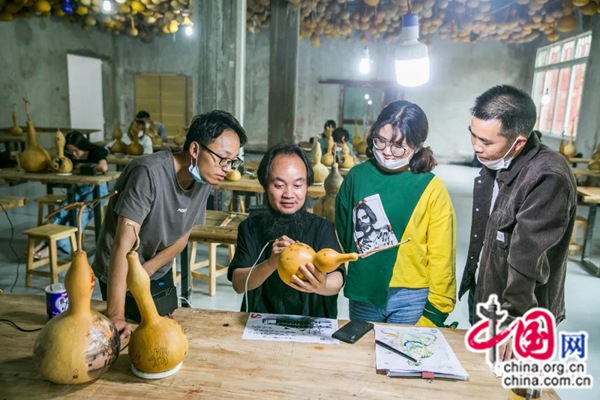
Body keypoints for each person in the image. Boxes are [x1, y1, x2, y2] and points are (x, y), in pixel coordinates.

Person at [93, 110, 247, 338]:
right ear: (195, 149)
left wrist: (148, 269)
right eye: (223, 158)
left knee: (162, 333)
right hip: (119, 268)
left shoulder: (205, 179)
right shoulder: (147, 173)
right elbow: (122, 246)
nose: (227, 168)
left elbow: (182, 236)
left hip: (156, 265)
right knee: (123, 331)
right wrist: (116, 315)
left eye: (233, 161)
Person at [458, 85, 577, 360]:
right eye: (473, 135)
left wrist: (513, 323)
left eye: (486, 142)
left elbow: (528, 260)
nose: (476, 146)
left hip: (520, 316)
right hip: (489, 302)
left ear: (519, 142)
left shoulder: (547, 178)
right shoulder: (496, 163)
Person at [335, 100, 456, 327]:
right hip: (364, 291)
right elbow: (343, 232)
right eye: (380, 141)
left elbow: (442, 256)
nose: (387, 152)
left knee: (404, 359)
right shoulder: (357, 176)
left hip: (411, 297)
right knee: (363, 358)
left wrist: (437, 310)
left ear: (417, 147)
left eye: (398, 146)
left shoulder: (431, 188)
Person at [227, 144, 345, 318]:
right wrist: (270, 264)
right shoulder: (251, 227)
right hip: (261, 321)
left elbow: (338, 278)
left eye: (297, 185)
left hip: (312, 321)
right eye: (280, 185)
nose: (289, 194)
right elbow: (238, 283)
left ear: (306, 187)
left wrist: (322, 284)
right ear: (266, 185)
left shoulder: (322, 227)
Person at [33, 131, 109, 259]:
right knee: (63, 210)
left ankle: (57, 246)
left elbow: (103, 167)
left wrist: (84, 167)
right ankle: (45, 242)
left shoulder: (97, 152)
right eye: (70, 151)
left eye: (75, 150)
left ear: (82, 145)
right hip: (81, 187)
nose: (74, 154)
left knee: (80, 213)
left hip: (98, 190)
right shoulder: (72, 157)